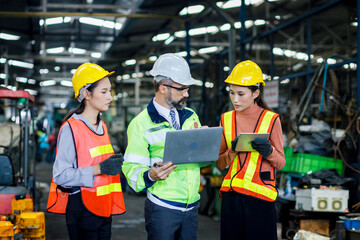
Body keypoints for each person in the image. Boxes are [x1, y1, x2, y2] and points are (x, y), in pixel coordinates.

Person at [122, 53, 205, 240]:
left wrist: (204, 142)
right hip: (163, 209)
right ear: (162, 87)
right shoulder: (140, 124)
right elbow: (131, 169)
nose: (186, 94)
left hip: (191, 207)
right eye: (182, 89)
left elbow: (197, 159)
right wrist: (150, 175)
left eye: (187, 88)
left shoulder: (191, 116)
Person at [46, 62, 126, 240]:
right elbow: (60, 176)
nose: (110, 97)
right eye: (104, 92)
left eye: (110, 91)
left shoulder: (102, 126)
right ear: (86, 94)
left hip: (104, 208)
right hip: (83, 209)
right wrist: (99, 169)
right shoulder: (70, 128)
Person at [216, 60, 285, 240]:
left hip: (261, 200)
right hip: (232, 199)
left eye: (241, 93)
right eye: (231, 93)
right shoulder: (226, 119)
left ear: (256, 93)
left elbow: (281, 163)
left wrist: (268, 151)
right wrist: (232, 151)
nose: (235, 99)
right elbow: (220, 163)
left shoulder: (271, 120)